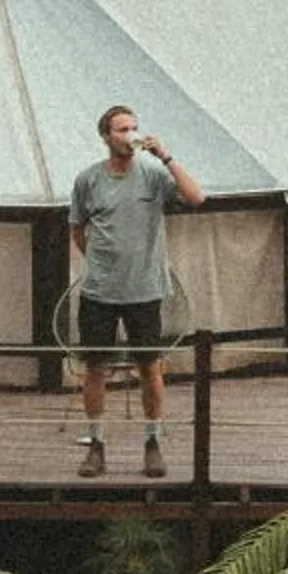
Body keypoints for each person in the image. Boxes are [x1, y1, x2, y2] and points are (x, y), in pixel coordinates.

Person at [69, 105, 204, 476]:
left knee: (149, 367)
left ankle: (153, 442)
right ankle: (96, 445)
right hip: (99, 291)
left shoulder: (154, 175)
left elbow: (197, 197)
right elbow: (78, 229)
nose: (131, 134)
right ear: (106, 137)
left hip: (145, 289)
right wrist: (101, 262)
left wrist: (167, 156)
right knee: (96, 369)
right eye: (122, 129)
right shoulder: (88, 180)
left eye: (134, 127)